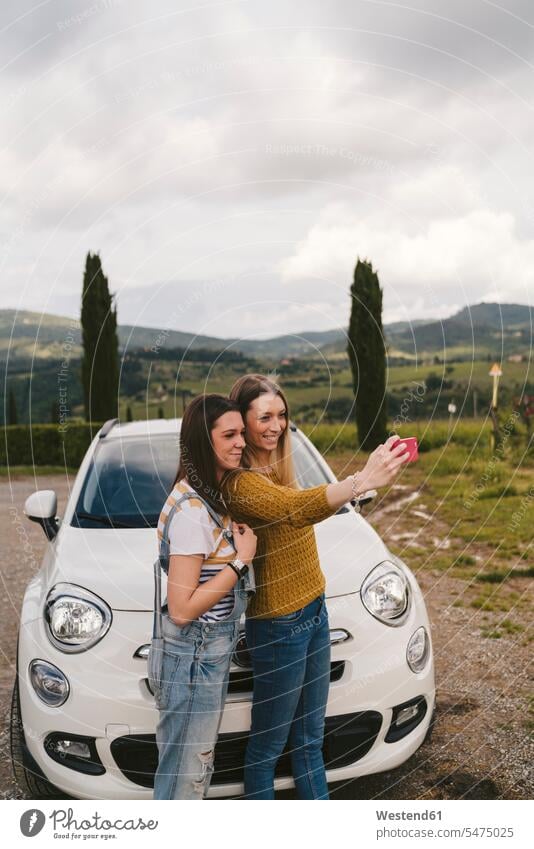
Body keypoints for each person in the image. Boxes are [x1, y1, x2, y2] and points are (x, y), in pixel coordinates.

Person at [222, 374, 410, 800]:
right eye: (264, 417)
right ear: (243, 422)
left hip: (314, 610)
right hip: (278, 626)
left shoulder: (277, 469)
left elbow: (302, 505)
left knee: (309, 740)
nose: (275, 425)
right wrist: (362, 480)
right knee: (267, 748)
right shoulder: (240, 483)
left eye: (282, 415)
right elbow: (296, 510)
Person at [151, 394, 257, 800]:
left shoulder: (205, 497)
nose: (240, 443)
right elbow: (181, 610)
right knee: (185, 780)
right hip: (193, 662)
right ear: (202, 441)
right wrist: (240, 562)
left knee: (190, 771)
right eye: (229, 434)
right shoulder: (195, 512)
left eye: (241, 434)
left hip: (201, 657)